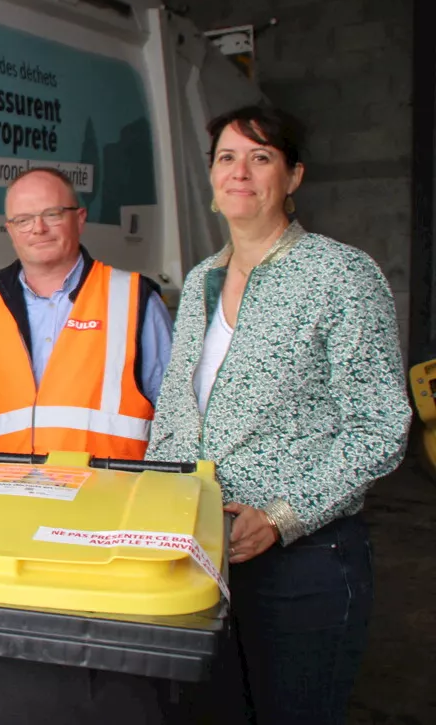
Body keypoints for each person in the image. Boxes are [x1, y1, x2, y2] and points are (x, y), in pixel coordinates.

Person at [146, 104, 409, 725]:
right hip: (204, 554)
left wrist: (282, 516)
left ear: (292, 177)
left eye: (261, 157)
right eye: (227, 158)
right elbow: (175, 416)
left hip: (305, 562)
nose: (240, 172)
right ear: (210, 177)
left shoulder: (340, 276)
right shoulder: (202, 281)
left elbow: (379, 427)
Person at [0, 167, 173, 457]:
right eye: (23, 220)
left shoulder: (134, 298)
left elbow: (175, 409)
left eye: (52, 214)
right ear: (10, 229)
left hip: (106, 492)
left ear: (79, 219)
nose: (38, 228)